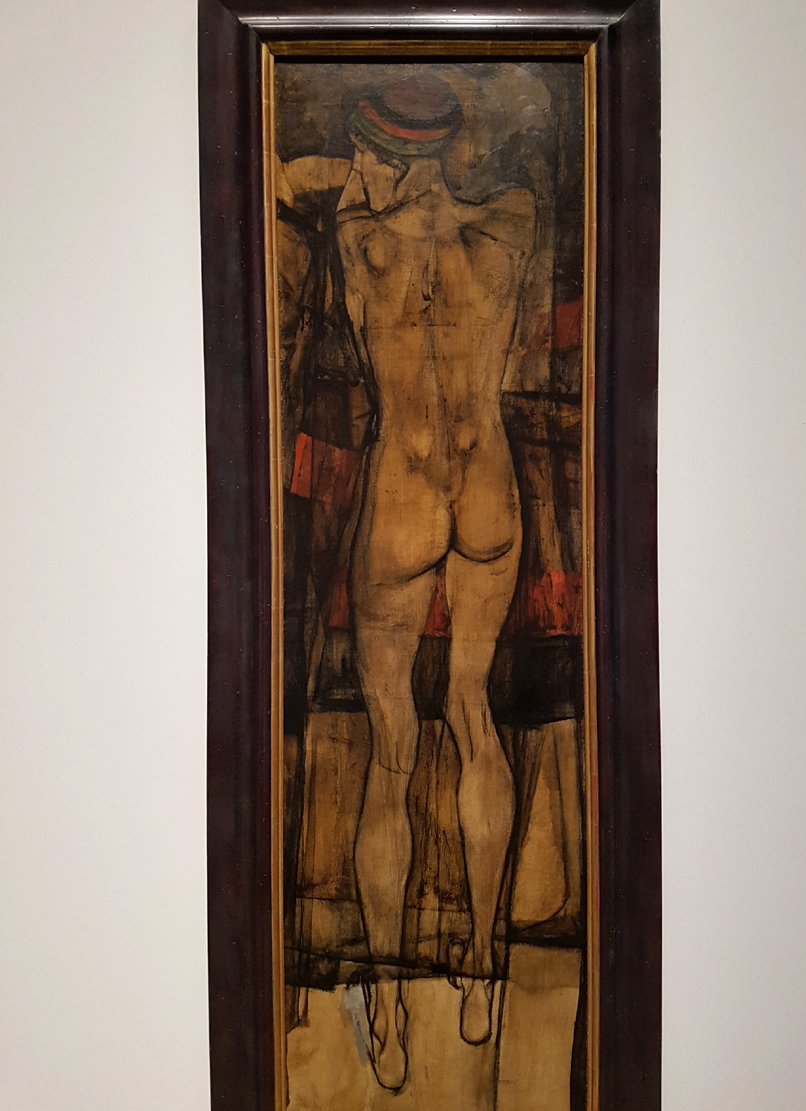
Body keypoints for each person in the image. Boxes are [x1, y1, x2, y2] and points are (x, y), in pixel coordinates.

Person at [277, 73, 535, 1091]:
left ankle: (385, 1001)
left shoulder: (359, 235)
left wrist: (359, 178)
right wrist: (408, 173)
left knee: (394, 747)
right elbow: (457, 201)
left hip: (404, 494)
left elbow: (292, 182)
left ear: (381, 154)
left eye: (366, 152)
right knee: (472, 712)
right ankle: (482, 964)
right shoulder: (506, 226)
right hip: (487, 486)